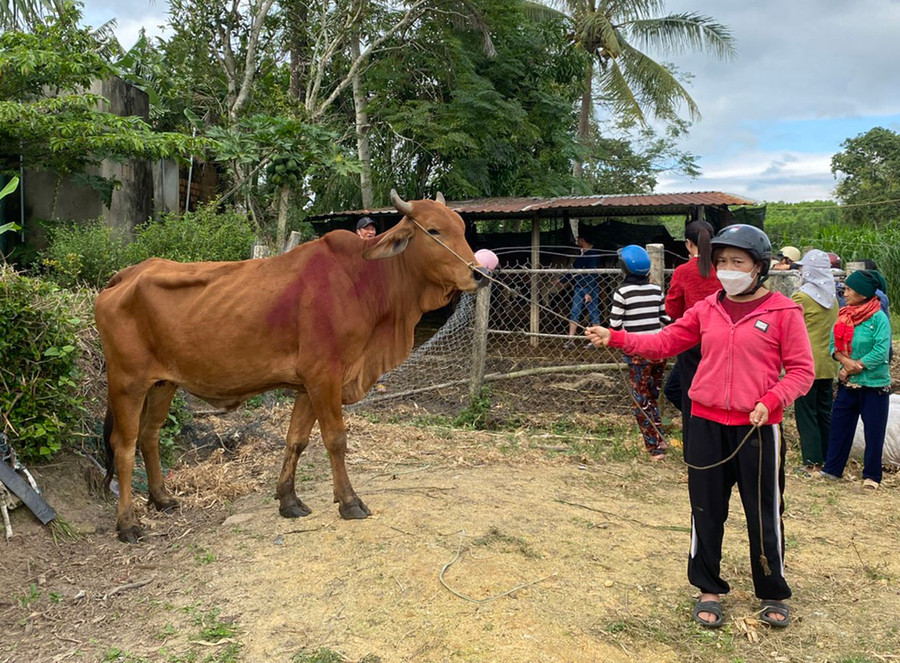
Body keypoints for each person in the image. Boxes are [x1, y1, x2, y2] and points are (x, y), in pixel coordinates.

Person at [585, 224, 814, 629]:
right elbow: (665, 341)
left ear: (758, 267)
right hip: (704, 423)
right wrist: (616, 337)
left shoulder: (783, 311)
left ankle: (772, 590)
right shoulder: (708, 309)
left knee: (764, 512)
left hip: (758, 429)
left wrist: (771, 400)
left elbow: (801, 371)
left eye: (737, 262)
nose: (727, 269)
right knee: (705, 510)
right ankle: (708, 588)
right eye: (721, 261)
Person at [820, 269, 892, 489]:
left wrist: (853, 367)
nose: (845, 292)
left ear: (862, 293)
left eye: (849, 289)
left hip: (874, 384)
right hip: (848, 383)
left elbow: (881, 351)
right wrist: (844, 361)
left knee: (874, 431)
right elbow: (834, 346)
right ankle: (832, 469)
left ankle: (872, 476)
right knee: (840, 426)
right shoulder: (844, 315)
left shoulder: (879, 317)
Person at [609, 245, 671, 460]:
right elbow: (665, 318)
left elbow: (615, 326)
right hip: (659, 350)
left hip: (637, 353)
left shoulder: (622, 292)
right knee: (653, 395)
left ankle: (655, 447)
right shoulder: (656, 290)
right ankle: (660, 437)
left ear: (623, 268)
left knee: (640, 398)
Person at [662, 220, 719, 446]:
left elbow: (672, 309)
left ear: (688, 244)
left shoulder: (684, 272)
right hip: (720, 340)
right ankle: (714, 435)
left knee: (686, 392)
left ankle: (695, 445)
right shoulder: (722, 270)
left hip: (691, 342)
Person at [790, 250, 839, 476]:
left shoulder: (802, 298)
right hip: (828, 363)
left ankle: (811, 463)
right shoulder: (833, 298)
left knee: (806, 413)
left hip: (806, 364)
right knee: (824, 412)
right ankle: (829, 459)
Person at [563, 232, 601, 345]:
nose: (577, 241)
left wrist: (589, 291)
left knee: (593, 312)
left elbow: (592, 274)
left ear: (583, 240)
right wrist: (562, 280)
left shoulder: (593, 255)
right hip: (579, 287)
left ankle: (596, 340)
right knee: (574, 312)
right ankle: (571, 339)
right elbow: (574, 269)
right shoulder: (582, 253)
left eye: (578, 239)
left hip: (590, 288)